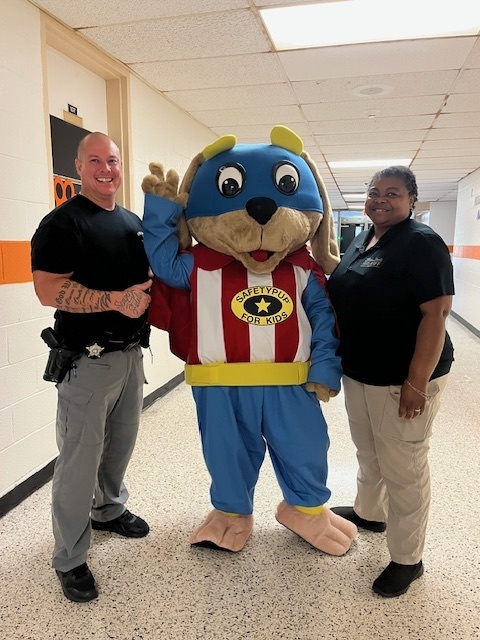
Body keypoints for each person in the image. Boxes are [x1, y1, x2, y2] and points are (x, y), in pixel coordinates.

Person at [31, 132, 152, 603]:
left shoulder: (132, 221)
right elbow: (47, 290)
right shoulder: (62, 224)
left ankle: (108, 511)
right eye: (96, 160)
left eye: (114, 160)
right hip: (87, 360)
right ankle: (70, 557)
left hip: (129, 356)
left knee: (119, 447)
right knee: (79, 459)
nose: (107, 169)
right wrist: (114, 301)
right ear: (78, 168)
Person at [327, 165, 454, 598]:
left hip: (403, 377)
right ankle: (369, 514)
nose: (380, 199)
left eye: (393, 193)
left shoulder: (421, 243)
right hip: (360, 371)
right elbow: (345, 282)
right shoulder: (363, 238)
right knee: (369, 451)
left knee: (403, 466)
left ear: (412, 199)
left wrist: (417, 383)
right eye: (374, 192)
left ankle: (407, 558)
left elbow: (436, 314)